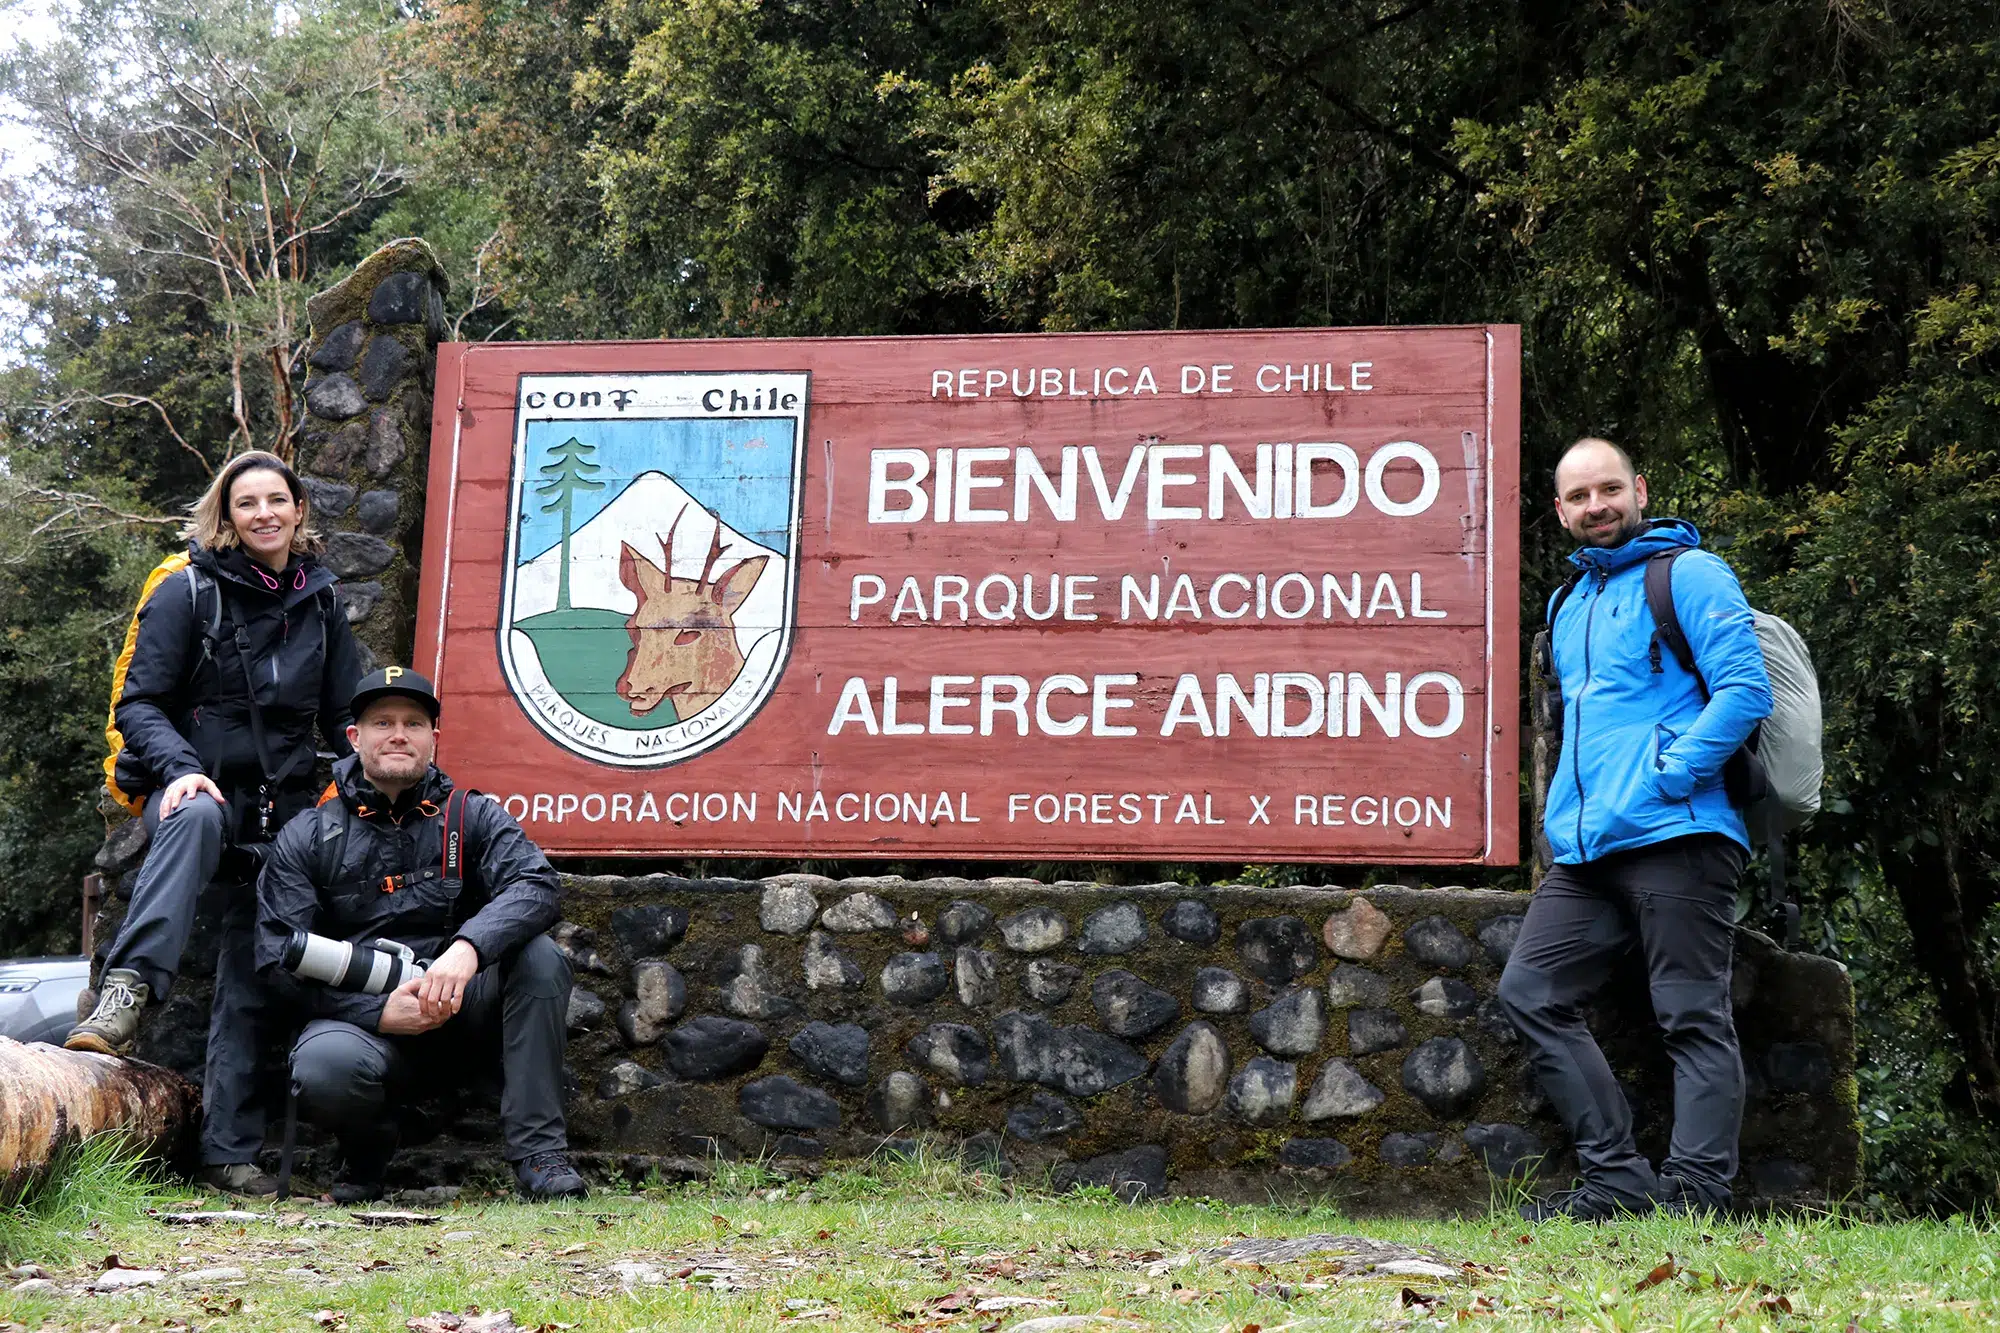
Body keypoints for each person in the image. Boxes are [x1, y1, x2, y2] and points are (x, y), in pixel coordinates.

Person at [69, 450, 364, 1198]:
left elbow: (343, 718)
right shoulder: (188, 590)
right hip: (198, 789)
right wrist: (177, 766)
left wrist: (352, 792)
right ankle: (127, 993)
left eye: (276, 499)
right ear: (225, 516)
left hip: (285, 810)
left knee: (250, 969)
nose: (263, 513)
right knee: (197, 811)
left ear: (298, 509)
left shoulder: (323, 603)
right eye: (246, 503)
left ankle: (228, 1154)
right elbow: (138, 704)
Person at [1498, 437, 1774, 1221]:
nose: (1596, 506)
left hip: (1680, 834)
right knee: (1530, 990)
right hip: (1589, 851)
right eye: (1579, 496)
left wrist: (1674, 774)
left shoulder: (1687, 574)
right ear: (1560, 509)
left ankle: (1696, 1195)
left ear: (1640, 489)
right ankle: (1618, 1180)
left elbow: (1745, 690)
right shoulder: (1569, 601)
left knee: (1691, 1016)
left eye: (1609, 489)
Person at [254, 667, 587, 1202]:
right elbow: (275, 960)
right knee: (323, 1066)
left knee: (541, 958)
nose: (399, 734)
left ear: (435, 737)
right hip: (365, 1027)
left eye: (414, 722)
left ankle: (539, 1156)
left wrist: (468, 950)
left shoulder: (472, 816)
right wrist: (377, 1012)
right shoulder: (309, 834)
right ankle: (368, 1146)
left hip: (464, 1012)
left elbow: (537, 885)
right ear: (354, 737)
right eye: (382, 722)